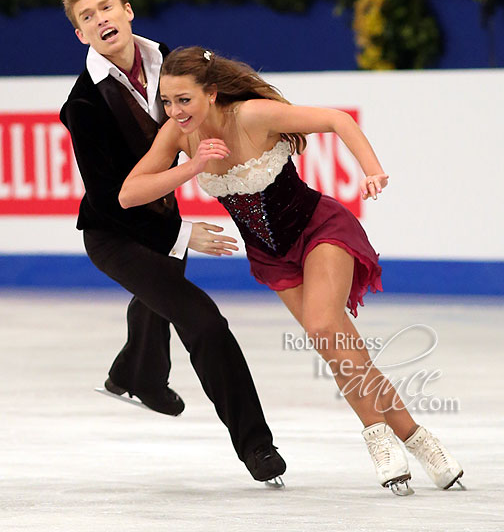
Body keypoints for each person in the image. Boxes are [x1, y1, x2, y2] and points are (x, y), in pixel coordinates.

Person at [119, 46, 465, 495]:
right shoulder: (177, 136)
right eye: (167, 101)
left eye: (184, 99)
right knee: (339, 345)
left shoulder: (252, 115)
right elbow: (130, 194)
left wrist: (373, 170)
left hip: (319, 230)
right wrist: (195, 167)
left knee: (324, 326)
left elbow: (339, 121)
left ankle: (377, 437)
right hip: (271, 256)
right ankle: (419, 440)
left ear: (211, 92)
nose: (174, 110)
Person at [59, 0, 286, 485]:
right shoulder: (84, 106)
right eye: (87, 18)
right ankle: (257, 446)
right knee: (200, 318)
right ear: (81, 36)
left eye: (106, 8)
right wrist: (181, 236)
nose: (101, 20)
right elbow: (106, 198)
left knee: (156, 296)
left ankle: (136, 374)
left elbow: (226, 98)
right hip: (113, 233)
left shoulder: (172, 62)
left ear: (128, 10)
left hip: (158, 217)